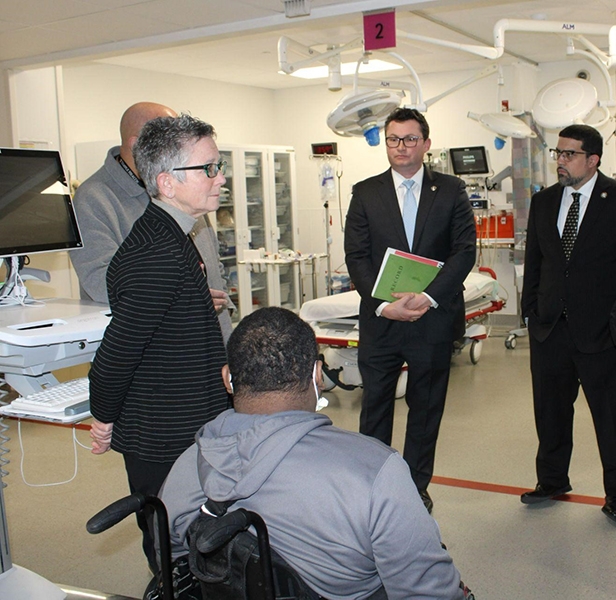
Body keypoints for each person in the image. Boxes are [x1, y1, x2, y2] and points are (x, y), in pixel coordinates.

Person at [160, 307, 472, 600]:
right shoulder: (376, 472)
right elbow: (430, 592)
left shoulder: (186, 467)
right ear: (318, 375)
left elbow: (175, 564)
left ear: (227, 378)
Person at [88, 114, 231, 575]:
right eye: (207, 168)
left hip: (185, 421)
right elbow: (117, 353)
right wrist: (103, 419)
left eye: (219, 164)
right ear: (167, 183)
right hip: (164, 433)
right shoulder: (158, 252)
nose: (220, 177)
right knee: (173, 548)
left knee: (198, 543)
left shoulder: (171, 233)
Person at [520, 124, 616, 522]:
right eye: (557, 154)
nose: (560, 162)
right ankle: (551, 479)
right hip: (550, 329)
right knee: (550, 412)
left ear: (593, 159)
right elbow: (536, 263)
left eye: (569, 154)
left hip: (603, 334)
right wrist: (531, 311)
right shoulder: (544, 202)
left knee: (612, 418)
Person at [344, 107, 476, 513]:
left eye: (409, 139)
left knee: (426, 408)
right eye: (393, 139)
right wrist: (385, 305)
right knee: (376, 406)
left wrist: (430, 297)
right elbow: (356, 256)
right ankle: (374, 484)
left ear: (426, 144)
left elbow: (464, 251)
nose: (400, 147)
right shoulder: (365, 192)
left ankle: (417, 485)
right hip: (382, 321)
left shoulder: (451, 191)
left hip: (431, 319)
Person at [70, 102, 234, 342]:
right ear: (138, 145)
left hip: (211, 335)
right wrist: (184, 299)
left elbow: (211, 262)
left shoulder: (186, 190)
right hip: (156, 348)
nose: (219, 179)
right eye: (167, 136)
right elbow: (100, 282)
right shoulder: (94, 199)